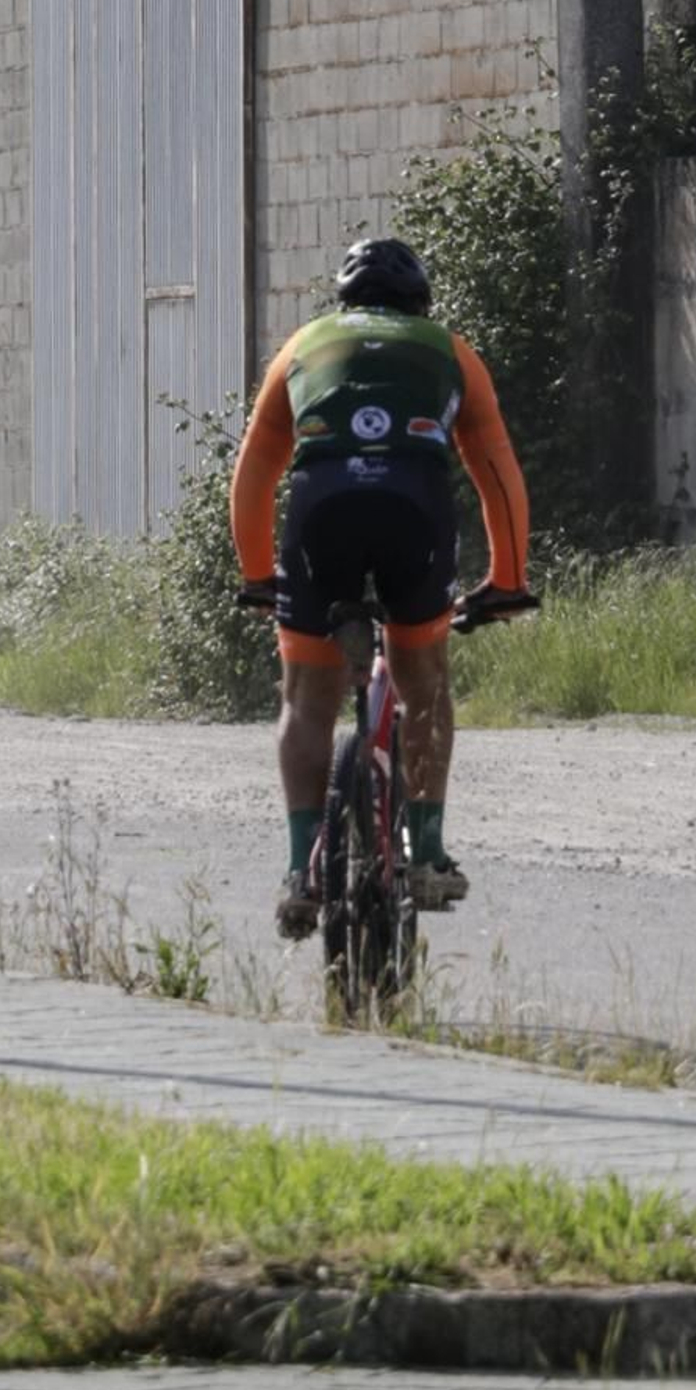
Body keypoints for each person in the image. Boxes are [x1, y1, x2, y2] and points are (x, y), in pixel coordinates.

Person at [231, 236, 533, 940]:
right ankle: (424, 852)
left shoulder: (303, 345)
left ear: (344, 301)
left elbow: (252, 475)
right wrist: (508, 581)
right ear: (419, 304)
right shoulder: (449, 350)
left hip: (321, 514)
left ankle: (301, 872)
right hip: (413, 514)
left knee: (307, 699)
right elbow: (498, 475)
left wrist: (254, 575)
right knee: (423, 682)